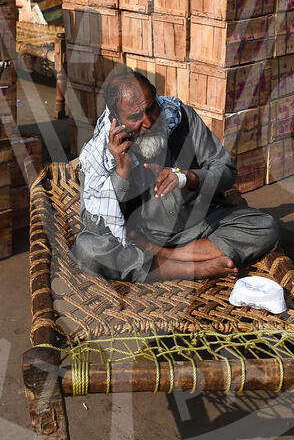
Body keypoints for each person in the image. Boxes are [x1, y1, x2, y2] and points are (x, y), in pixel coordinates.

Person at [72, 68, 279, 281]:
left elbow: (226, 171)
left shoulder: (183, 117)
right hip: (142, 237)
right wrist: (121, 171)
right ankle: (188, 269)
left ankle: (169, 255)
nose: (149, 122)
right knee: (87, 248)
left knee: (265, 226)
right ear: (115, 118)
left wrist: (188, 178)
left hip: (200, 226)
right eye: (135, 117)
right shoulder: (100, 154)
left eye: (152, 108)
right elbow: (96, 226)